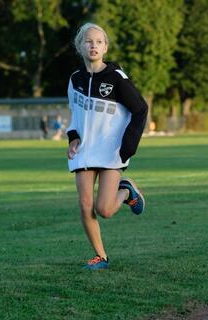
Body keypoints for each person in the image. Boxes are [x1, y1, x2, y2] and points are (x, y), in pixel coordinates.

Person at [66, 23, 148, 270]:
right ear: (80, 46)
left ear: (105, 47)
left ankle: (127, 190)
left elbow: (140, 109)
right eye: (89, 41)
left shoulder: (116, 78)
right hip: (84, 152)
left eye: (99, 42)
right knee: (84, 204)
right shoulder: (75, 79)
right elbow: (73, 113)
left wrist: (128, 147)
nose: (93, 46)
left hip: (111, 151)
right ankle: (100, 257)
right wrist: (73, 137)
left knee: (105, 210)